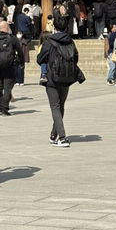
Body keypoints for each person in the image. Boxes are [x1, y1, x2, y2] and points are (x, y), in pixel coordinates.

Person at [36, 13, 81, 147]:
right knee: (60, 106)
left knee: (55, 107)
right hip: (66, 77)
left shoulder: (49, 42)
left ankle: (62, 137)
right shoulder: (70, 41)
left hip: (52, 78)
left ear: (54, 27)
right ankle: (53, 134)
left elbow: (40, 59)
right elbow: (76, 57)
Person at [0, 19, 24, 116]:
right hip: (9, 66)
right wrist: (22, 63)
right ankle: (4, 109)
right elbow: (20, 51)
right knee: (7, 88)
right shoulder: (12, 38)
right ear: (7, 28)